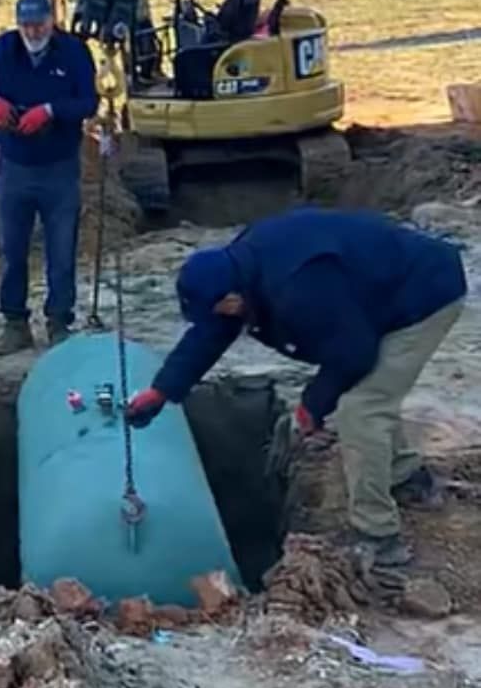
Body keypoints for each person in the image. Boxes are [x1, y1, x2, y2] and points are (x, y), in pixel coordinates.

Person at [125, 208, 467, 572]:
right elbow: (211, 334)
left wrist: (313, 406)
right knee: (371, 395)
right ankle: (407, 477)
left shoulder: (298, 289)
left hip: (425, 296)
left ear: (230, 299)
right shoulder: (239, 270)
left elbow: (354, 354)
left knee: (362, 407)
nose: (220, 321)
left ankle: (379, 538)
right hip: (375, 298)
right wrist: (162, 391)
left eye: (219, 311)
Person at [0, 0, 98, 354]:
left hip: (59, 170)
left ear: (51, 21)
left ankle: (59, 323)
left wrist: (51, 110)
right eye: (25, 25)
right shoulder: (3, 50)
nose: (32, 32)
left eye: (38, 24)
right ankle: (15, 325)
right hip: (14, 170)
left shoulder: (73, 53)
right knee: (13, 251)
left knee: (61, 250)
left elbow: (88, 102)